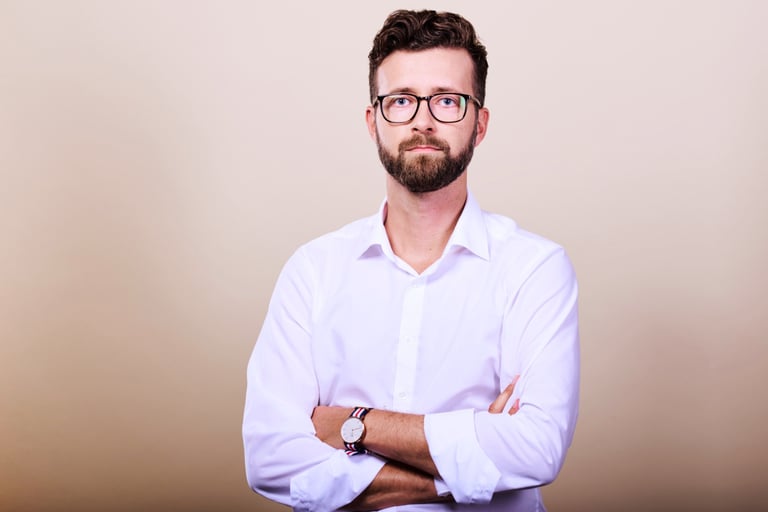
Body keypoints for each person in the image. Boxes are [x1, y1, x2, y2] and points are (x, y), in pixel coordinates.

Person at [243, 9, 579, 511]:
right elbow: (269, 460)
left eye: (447, 100)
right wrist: (465, 466)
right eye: (401, 100)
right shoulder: (313, 270)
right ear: (373, 121)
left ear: (480, 124)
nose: (423, 120)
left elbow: (536, 449)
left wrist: (355, 425)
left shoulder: (535, 269)